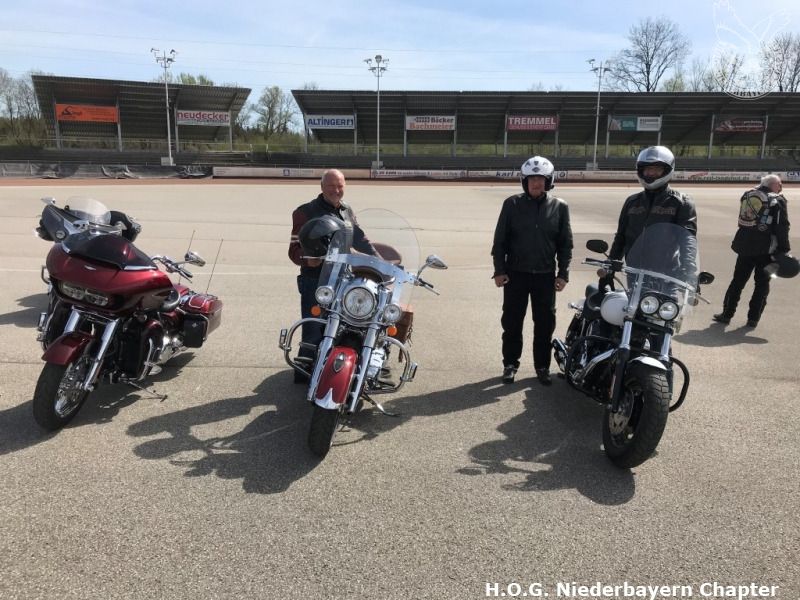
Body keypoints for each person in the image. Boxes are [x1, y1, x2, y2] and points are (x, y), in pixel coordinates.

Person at [288, 169, 378, 381]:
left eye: (340, 186)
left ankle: (340, 367)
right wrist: (307, 259)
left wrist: (379, 260)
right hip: (315, 280)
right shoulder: (305, 212)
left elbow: (360, 239)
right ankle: (304, 372)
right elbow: (293, 250)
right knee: (314, 328)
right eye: (331, 186)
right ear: (322, 187)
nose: (336, 190)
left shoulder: (347, 210)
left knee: (346, 323)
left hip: (343, 279)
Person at [491, 156, 573, 386]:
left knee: (545, 324)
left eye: (541, 179)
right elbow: (500, 241)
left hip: (545, 277)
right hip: (515, 274)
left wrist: (563, 273)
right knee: (512, 323)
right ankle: (510, 364)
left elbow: (565, 244)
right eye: (532, 179)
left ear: (549, 181)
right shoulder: (511, 205)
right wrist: (499, 270)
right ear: (524, 181)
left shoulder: (560, 207)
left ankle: (542, 367)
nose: (536, 183)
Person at [713, 174, 791, 328]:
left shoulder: (748, 195)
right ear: (773, 185)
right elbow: (782, 227)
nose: (781, 187)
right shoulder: (777, 200)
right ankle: (753, 319)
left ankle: (726, 314)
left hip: (744, 247)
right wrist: (784, 250)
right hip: (766, 250)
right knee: (762, 284)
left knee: (737, 281)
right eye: (779, 184)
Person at [608, 146, 697, 266]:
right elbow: (621, 237)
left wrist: (689, 269)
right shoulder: (632, 202)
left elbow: (688, 240)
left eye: (657, 169)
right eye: (647, 169)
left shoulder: (681, 202)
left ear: (667, 170)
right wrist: (610, 264)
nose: (650, 173)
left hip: (666, 272)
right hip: (634, 270)